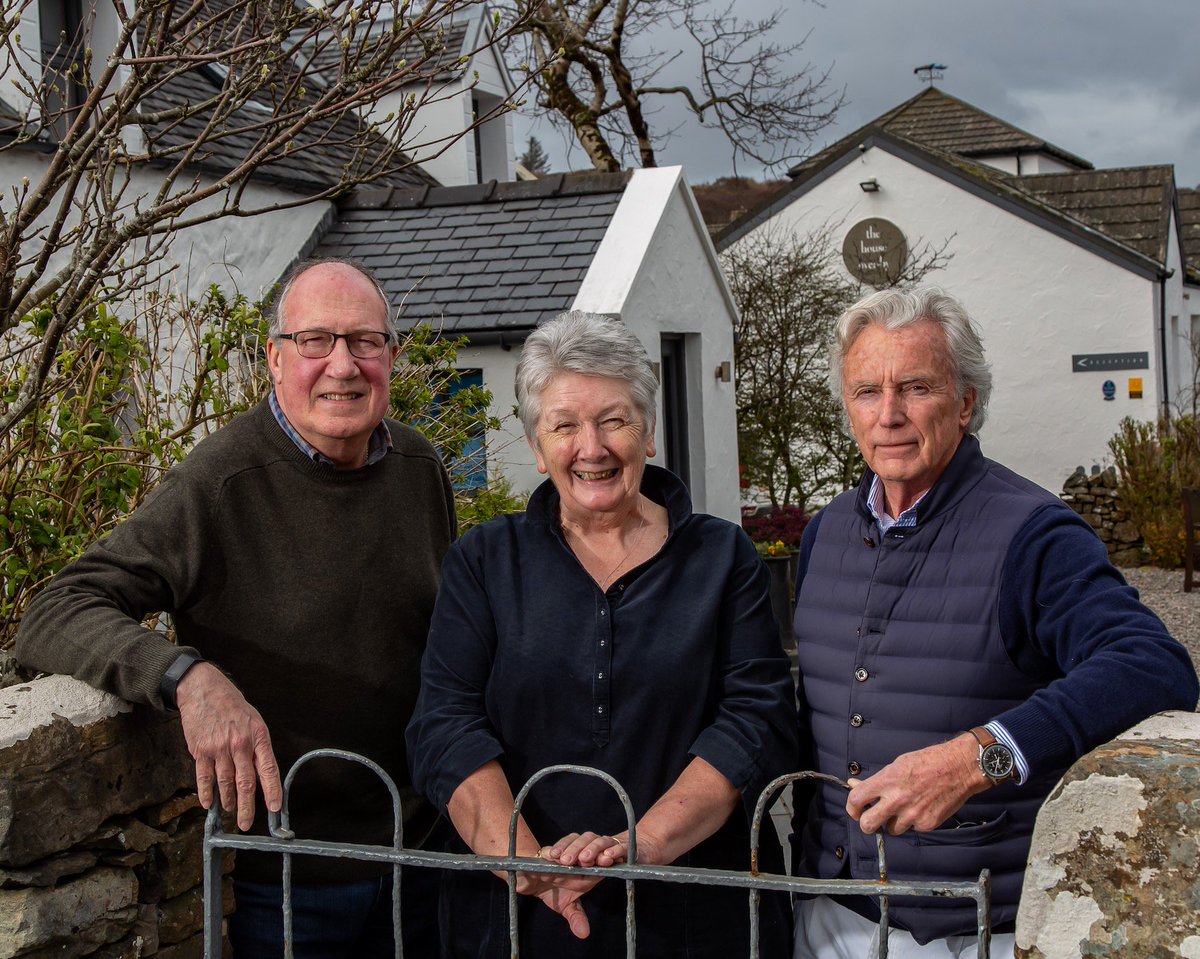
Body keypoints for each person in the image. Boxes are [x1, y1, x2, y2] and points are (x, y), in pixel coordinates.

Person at [15, 258, 456, 958]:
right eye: (316, 341)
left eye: (365, 342)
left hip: (427, 856)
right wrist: (186, 676)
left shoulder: (419, 465)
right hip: (287, 879)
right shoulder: (222, 482)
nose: (343, 365)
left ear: (392, 357)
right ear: (276, 358)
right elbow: (56, 609)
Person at [789, 287, 1199, 959]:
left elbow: (1153, 666)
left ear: (967, 401)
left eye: (915, 387)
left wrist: (981, 755)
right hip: (825, 911)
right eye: (867, 391)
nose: (888, 413)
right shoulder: (825, 533)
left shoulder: (1033, 534)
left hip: (964, 924)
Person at [406, 310, 796, 957]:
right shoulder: (485, 560)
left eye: (613, 419)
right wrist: (527, 861)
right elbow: (444, 722)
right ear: (536, 445)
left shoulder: (721, 558)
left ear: (647, 432)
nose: (592, 447)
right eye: (564, 425)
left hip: (698, 917)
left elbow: (756, 718)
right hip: (516, 921)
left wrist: (641, 847)